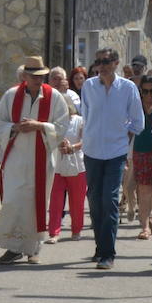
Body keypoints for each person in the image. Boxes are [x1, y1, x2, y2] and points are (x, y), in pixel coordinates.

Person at [0, 56, 70, 264]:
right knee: (13, 202)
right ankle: (13, 247)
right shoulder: (11, 96)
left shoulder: (54, 97)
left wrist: (40, 126)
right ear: (25, 76)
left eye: (41, 76)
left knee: (37, 202)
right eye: (34, 76)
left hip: (41, 160)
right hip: (15, 159)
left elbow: (62, 126)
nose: (38, 80)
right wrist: (14, 127)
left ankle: (34, 248)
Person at [79, 47, 145, 270]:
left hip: (116, 152)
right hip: (92, 151)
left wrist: (124, 142)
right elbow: (86, 116)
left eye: (106, 61)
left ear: (116, 63)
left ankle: (108, 252)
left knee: (109, 199)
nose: (101, 66)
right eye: (98, 62)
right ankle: (100, 247)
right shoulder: (89, 86)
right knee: (94, 200)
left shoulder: (127, 88)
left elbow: (137, 122)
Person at [48, 97, 87, 242]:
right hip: (56, 167)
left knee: (77, 202)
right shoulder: (52, 122)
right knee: (55, 202)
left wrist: (72, 147)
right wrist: (57, 144)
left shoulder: (79, 120)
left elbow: (85, 141)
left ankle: (76, 231)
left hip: (77, 167)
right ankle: (54, 233)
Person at [131, 75, 152, 239]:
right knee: (143, 188)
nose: (149, 94)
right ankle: (145, 226)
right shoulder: (135, 104)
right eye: (145, 91)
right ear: (141, 91)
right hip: (140, 150)